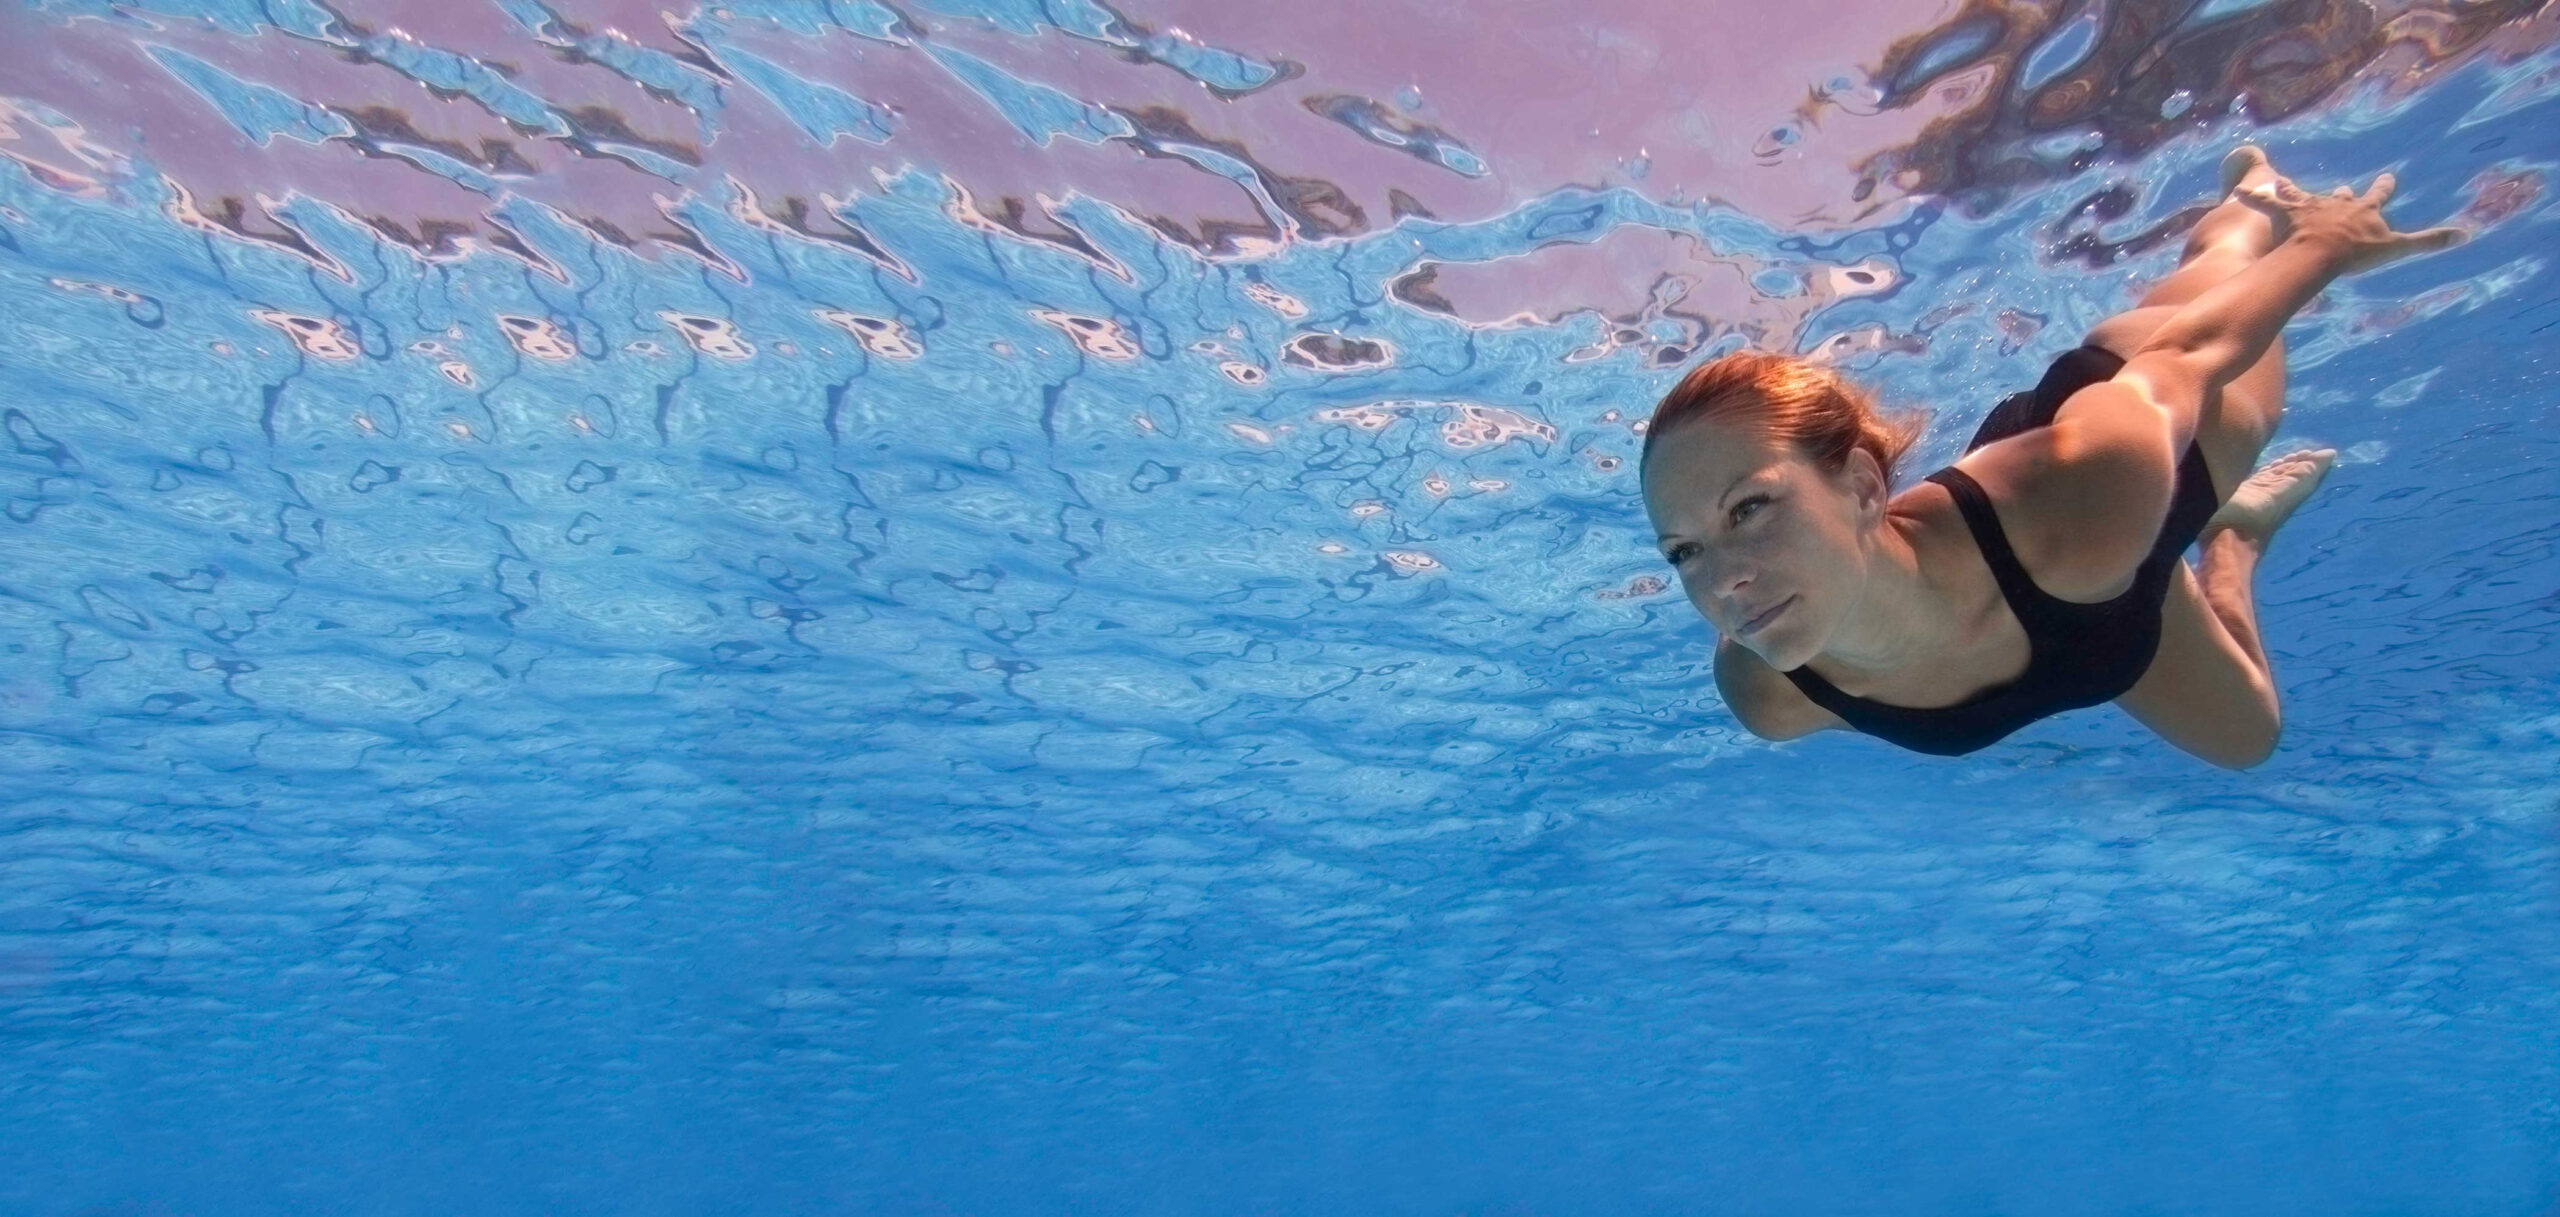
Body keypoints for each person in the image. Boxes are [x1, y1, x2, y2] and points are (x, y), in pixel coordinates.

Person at [1639, 146, 2467, 766]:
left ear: (1860, 484)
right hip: (2090, 575)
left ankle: (2248, 200)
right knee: (2251, 737)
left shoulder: (2080, 491)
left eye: (1748, 507)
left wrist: (2320, 248)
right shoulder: (1769, 691)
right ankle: (2237, 535)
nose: (1722, 582)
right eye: (1684, 552)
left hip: (2125, 453)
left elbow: (2188, 355)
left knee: (2224, 282)